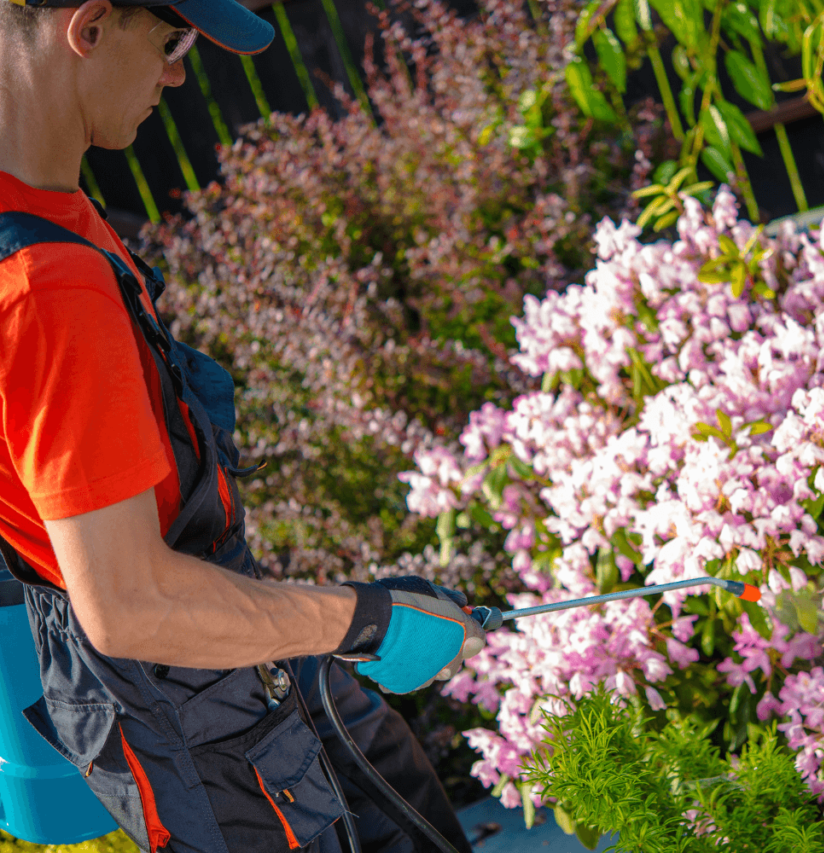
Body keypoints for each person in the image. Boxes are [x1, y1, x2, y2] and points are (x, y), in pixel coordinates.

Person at [0, 1, 487, 851]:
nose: (180, 74)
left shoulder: (49, 203)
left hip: (228, 670)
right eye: (173, 41)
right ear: (88, 26)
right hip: (197, 730)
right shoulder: (43, 287)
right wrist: (364, 619)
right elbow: (128, 600)